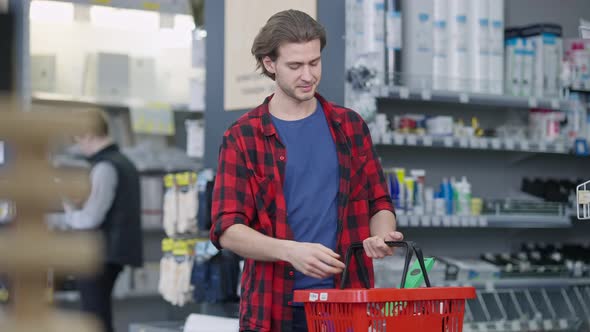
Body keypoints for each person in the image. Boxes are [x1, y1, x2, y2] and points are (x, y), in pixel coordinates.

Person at [209, 9, 403, 332]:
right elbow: (227, 228)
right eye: (295, 66)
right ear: (270, 64)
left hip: (348, 304)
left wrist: (381, 235)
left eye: (314, 63)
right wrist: (289, 252)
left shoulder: (350, 127)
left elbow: (379, 202)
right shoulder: (243, 137)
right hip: (274, 310)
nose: (308, 75)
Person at [61, 111, 143, 332]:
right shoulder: (125, 163)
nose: (79, 147)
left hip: (98, 253)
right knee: (98, 315)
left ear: (88, 134)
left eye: (78, 140)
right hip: (114, 252)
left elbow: (90, 218)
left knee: (93, 318)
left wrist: (68, 210)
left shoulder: (105, 167)